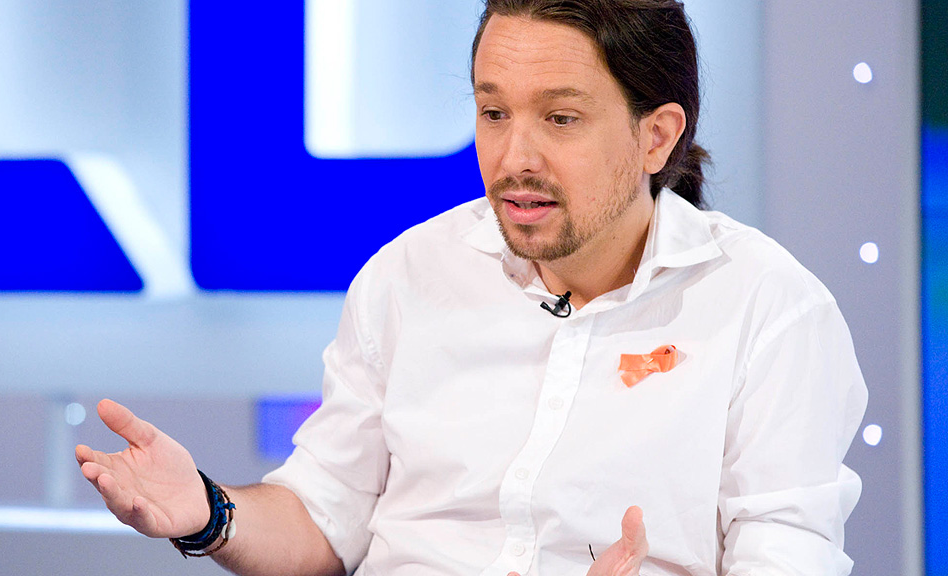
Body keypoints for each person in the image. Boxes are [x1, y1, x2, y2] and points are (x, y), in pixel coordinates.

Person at [76, 1, 868, 574]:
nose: (514, 157)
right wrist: (207, 511)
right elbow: (324, 518)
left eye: (560, 119)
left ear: (656, 135)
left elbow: (787, 553)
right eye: (494, 113)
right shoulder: (408, 276)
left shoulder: (769, 310)